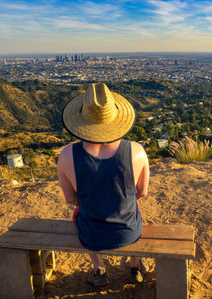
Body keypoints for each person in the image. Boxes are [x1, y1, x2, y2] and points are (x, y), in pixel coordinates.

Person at [57, 82, 150, 286]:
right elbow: (142, 192)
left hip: (92, 235)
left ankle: (99, 270)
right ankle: (135, 266)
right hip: (129, 231)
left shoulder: (65, 156)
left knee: (80, 212)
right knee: (135, 206)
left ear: (81, 117)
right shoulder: (137, 151)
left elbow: (71, 199)